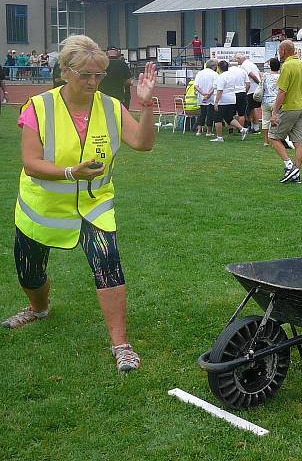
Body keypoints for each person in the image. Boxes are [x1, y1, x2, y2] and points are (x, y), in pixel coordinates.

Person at [3, 35, 157, 373]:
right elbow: (30, 163)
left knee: (108, 263)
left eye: (98, 75)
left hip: (94, 204)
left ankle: (121, 344)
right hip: (41, 207)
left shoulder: (111, 106)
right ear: (64, 72)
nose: (93, 82)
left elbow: (143, 143)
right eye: (85, 75)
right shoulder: (38, 107)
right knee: (30, 273)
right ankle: (38, 308)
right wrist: (72, 172)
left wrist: (146, 106)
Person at [268, 40, 302, 183]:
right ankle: (297, 173)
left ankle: (289, 166)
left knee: (273, 137)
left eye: (279, 50)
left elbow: (282, 92)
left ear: (284, 51)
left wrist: (274, 113)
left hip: (290, 107)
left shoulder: (287, 66)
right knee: (298, 142)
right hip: (301, 107)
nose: (279, 53)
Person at [210, 59, 248, 142]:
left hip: (223, 100)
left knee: (217, 118)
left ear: (219, 68)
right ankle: (242, 129)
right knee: (229, 118)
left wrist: (216, 102)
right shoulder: (232, 76)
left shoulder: (221, 77)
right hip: (231, 98)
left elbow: (220, 90)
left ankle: (219, 137)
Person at [234, 53, 261, 133]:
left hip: (251, 89)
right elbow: (258, 73)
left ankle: (254, 126)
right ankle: (253, 126)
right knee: (252, 109)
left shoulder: (244, 66)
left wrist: (259, 83)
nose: (236, 61)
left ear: (239, 59)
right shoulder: (251, 63)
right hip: (254, 89)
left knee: (249, 109)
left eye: (236, 59)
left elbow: (252, 75)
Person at [193, 59, 218, 136]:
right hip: (211, 96)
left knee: (202, 113)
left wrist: (203, 93)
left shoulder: (200, 73)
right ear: (213, 66)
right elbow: (215, 86)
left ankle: (199, 130)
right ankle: (208, 131)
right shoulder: (215, 74)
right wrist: (208, 94)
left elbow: (196, 85)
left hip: (202, 96)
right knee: (210, 113)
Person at [260, 57, 281, 146]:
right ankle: (274, 140)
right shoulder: (281, 76)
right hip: (276, 101)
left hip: (265, 100)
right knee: (277, 121)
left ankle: (266, 141)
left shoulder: (265, 76)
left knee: (265, 121)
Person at [228, 60, 250, 140]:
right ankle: (240, 129)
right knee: (241, 114)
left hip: (231, 93)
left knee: (229, 113)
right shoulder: (243, 71)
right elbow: (248, 83)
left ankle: (230, 129)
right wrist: (245, 91)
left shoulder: (227, 71)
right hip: (241, 92)